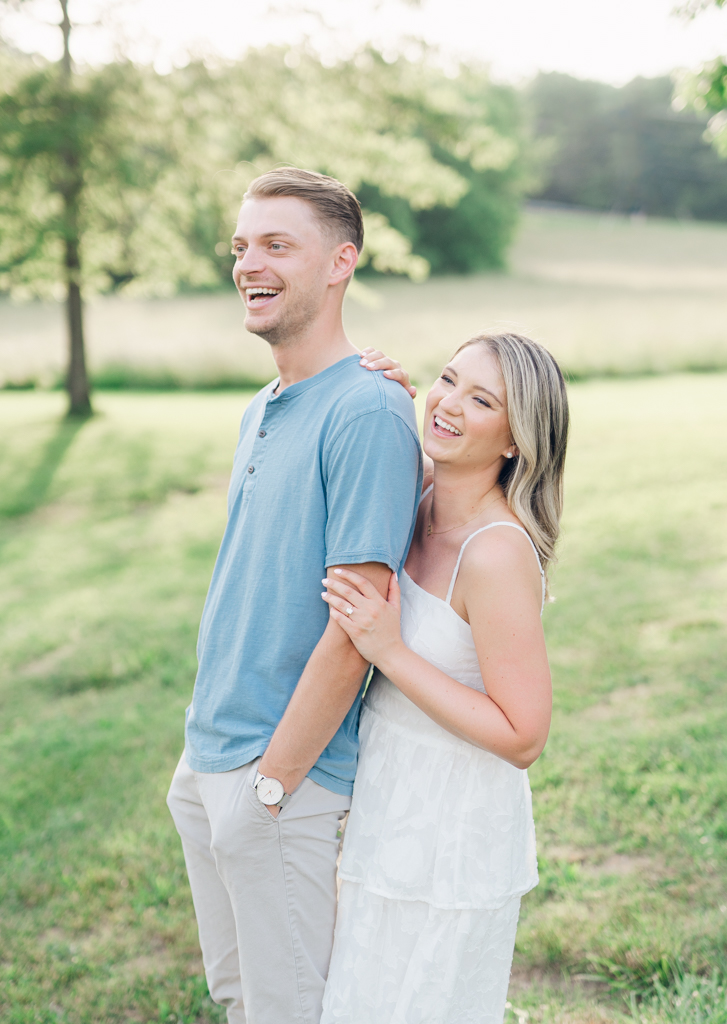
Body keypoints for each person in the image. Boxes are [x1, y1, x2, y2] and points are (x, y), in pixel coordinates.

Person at [166, 168, 423, 1024]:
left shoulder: (367, 410)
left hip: (279, 775)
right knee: (241, 997)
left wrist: (272, 786)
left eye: (278, 244)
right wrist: (208, 769)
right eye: (241, 246)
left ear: (341, 261)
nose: (249, 263)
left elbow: (358, 624)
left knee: (291, 1011)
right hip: (209, 755)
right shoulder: (263, 404)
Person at [320, 333, 569, 1024]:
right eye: (447, 379)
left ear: (516, 439)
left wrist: (390, 652)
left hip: (452, 834)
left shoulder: (494, 554)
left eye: (480, 399)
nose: (449, 404)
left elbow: (524, 736)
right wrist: (379, 394)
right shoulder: (419, 492)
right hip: (384, 803)